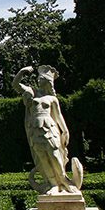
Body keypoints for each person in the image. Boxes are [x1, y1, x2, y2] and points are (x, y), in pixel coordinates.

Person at [13, 65, 76, 194]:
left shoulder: (52, 99)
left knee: (55, 155)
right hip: (35, 130)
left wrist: (64, 131)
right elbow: (16, 84)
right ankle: (53, 184)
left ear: (48, 82)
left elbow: (58, 117)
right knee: (43, 158)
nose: (39, 81)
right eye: (39, 79)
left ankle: (64, 181)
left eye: (42, 79)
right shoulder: (32, 93)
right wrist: (22, 72)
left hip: (49, 128)